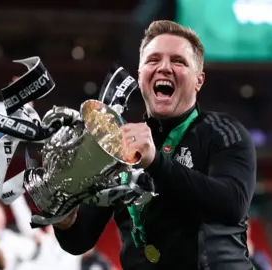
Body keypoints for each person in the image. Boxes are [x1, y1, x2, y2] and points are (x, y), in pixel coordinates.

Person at [53, 20, 256, 270]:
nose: (164, 68)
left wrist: (155, 163)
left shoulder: (223, 132)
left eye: (179, 61)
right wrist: (64, 218)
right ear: (140, 75)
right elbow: (80, 240)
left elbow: (232, 204)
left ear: (198, 80)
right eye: (153, 60)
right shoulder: (117, 145)